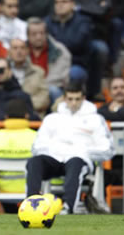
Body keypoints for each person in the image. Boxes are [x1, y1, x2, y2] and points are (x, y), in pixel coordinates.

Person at [26, 82, 114, 214]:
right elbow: (37, 145)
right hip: (55, 156)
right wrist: (54, 149)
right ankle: (31, 204)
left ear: (83, 98)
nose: (73, 103)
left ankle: (68, 206)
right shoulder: (52, 118)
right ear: (64, 99)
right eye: (70, 99)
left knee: (75, 162)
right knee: (34, 162)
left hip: (79, 158)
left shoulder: (95, 119)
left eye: (77, 99)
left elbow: (108, 149)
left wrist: (82, 151)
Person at [0, 98, 37, 213]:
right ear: (26, 116)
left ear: (6, 117)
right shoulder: (37, 138)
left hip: (3, 192)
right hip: (32, 190)